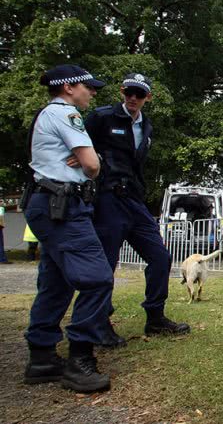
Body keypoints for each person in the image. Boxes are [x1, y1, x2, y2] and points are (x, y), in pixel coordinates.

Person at [23, 64, 112, 393]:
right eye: (88, 87)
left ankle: (42, 356)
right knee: (98, 279)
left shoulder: (47, 115)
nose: (92, 92)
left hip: (47, 204)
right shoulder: (65, 114)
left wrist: (91, 156)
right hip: (63, 206)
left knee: (56, 282)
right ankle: (80, 359)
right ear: (69, 87)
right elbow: (90, 165)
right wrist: (95, 160)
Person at [85, 73, 190, 347]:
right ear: (122, 92)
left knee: (161, 256)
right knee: (106, 263)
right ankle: (99, 323)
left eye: (139, 94)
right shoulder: (101, 117)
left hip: (134, 200)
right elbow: (79, 146)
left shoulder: (147, 126)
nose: (133, 98)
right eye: (129, 92)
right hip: (108, 198)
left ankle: (155, 316)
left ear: (148, 97)